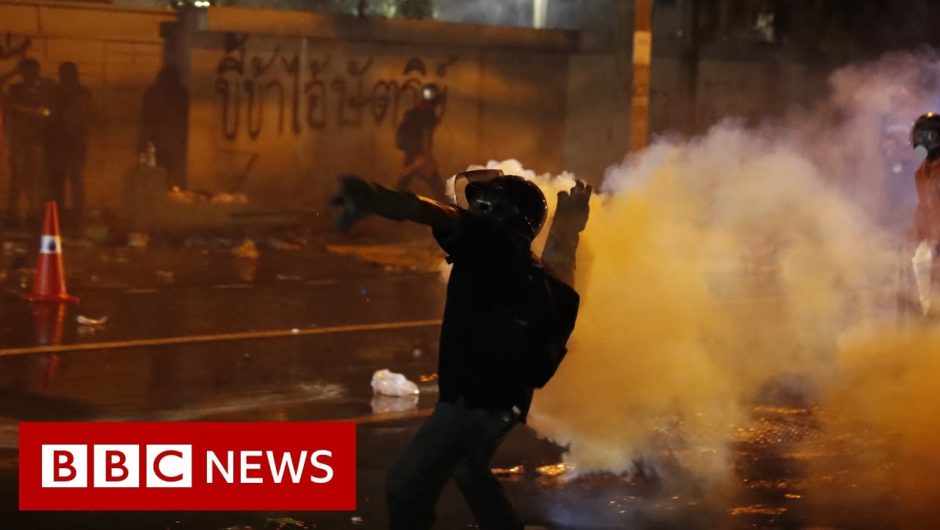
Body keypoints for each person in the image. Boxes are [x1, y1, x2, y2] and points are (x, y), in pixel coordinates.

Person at [330, 169, 591, 529]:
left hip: (473, 402)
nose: (477, 208)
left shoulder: (491, 244)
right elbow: (563, 263)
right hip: (505, 404)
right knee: (469, 471)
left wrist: (377, 199)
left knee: (406, 486)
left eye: (487, 204)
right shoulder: (526, 263)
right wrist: (568, 226)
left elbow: (438, 213)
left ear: (502, 213)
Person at [3, 58, 54, 228]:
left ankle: (33, 214)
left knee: (35, 179)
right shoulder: (15, 90)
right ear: (23, 73)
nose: (33, 75)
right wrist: (33, 112)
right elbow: (9, 107)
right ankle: (14, 215)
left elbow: (49, 111)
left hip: (36, 141)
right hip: (19, 141)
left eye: (35, 71)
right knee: (18, 179)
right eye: (29, 71)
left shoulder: (43, 90)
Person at [48, 62, 92, 224]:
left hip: (74, 143)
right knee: (61, 180)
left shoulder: (81, 93)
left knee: (75, 179)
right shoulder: (57, 93)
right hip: (61, 143)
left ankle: (76, 213)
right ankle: (61, 213)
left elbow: (87, 116)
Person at [139, 66, 188, 189]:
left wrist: (142, 143)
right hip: (173, 143)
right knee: (171, 175)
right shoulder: (181, 95)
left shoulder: (152, 94)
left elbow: (145, 119)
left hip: (158, 142)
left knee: (155, 175)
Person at [395, 83, 446, 199]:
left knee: (403, 184)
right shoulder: (428, 113)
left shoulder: (415, 111)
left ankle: (390, 205)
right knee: (438, 188)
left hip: (411, 154)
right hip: (420, 157)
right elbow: (426, 137)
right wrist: (427, 157)